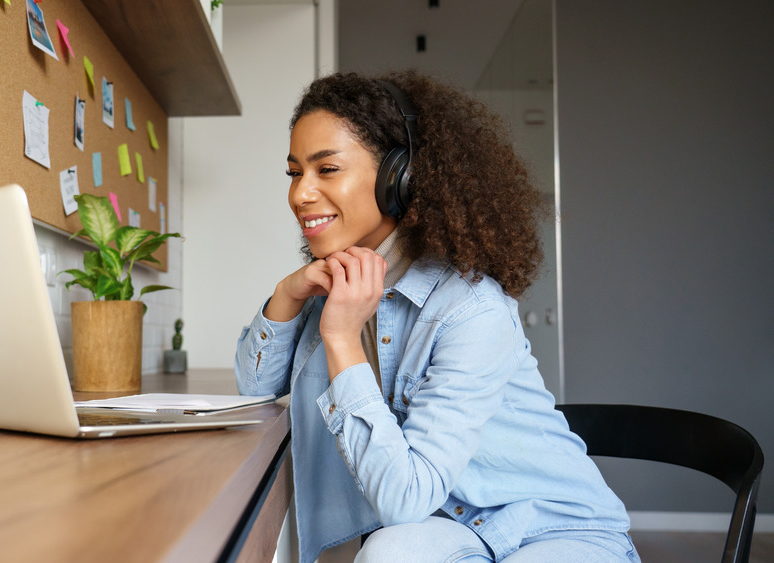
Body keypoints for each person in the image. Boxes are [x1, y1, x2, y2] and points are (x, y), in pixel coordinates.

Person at [234, 70, 640, 563]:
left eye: (327, 169)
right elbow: (255, 392)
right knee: (389, 553)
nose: (301, 194)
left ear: (398, 177)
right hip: (455, 528)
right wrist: (286, 296)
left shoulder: (472, 310)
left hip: (552, 528)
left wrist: (340, 339)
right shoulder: (336, 287)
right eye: (295, 172)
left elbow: (404, 498)